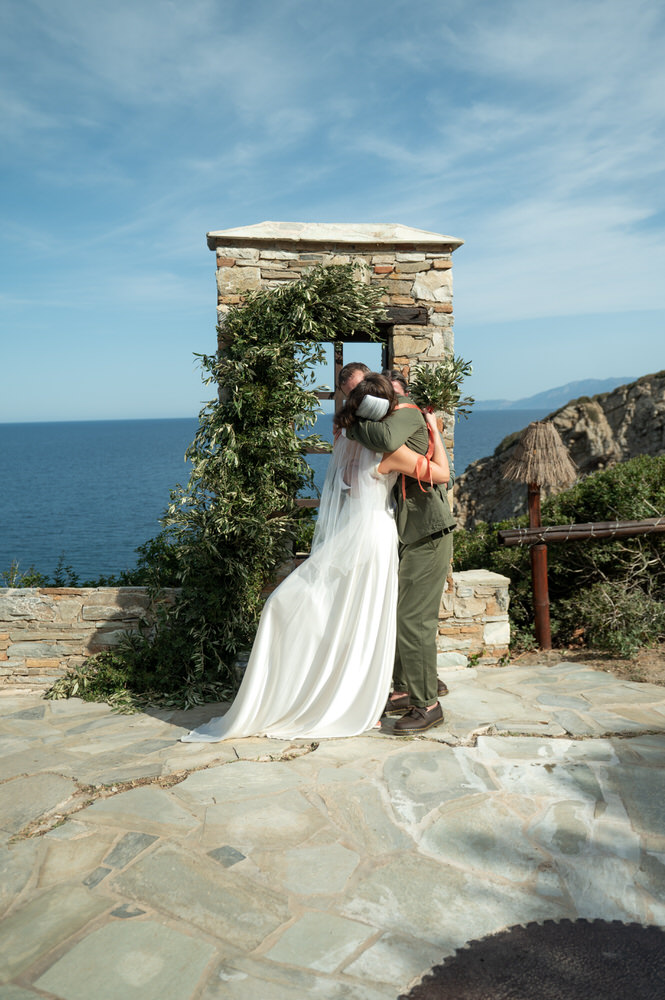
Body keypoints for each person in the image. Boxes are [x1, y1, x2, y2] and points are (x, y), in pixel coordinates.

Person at [181, 374, 451, 742]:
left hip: (369, 535)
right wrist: (434, 432)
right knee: (378, 614)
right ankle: (398, 691)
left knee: (373, 612)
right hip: (380, 537)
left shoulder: (349, 443)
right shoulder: (388, 449)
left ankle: (397, 694)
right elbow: (442, 473)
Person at [346, 371, 457, 734]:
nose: (391, 407)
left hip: (429, 533)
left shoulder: (401, 423)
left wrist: (351, 423)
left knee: (413, 621)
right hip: (411, 535)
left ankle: (428, 705)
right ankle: (406, 689)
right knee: (399, 615)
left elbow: (440, 474)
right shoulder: (392, 429)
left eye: (393, 399)